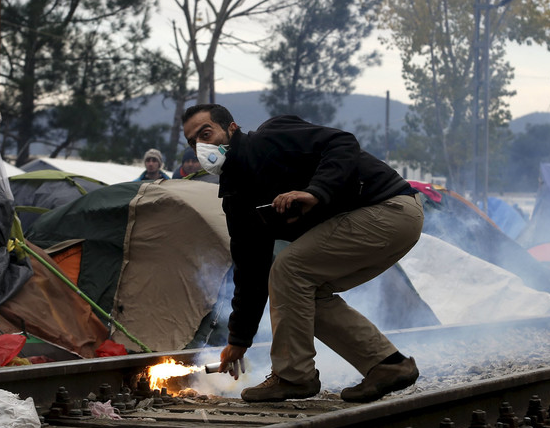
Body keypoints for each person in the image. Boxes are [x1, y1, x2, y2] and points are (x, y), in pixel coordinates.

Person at [181, 103, 424, 403]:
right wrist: (238, 340)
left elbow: (342, 143)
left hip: (387, 206)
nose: (202, 146)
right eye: (194, 142)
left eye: (206, 133)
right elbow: (251, 269)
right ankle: (387, 365)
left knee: (289, 270)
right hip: (386, 220)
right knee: (303, 291)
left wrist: (317, 191)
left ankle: (294, 376)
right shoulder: (237, 197)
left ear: (231, 128)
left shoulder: (270, 137)